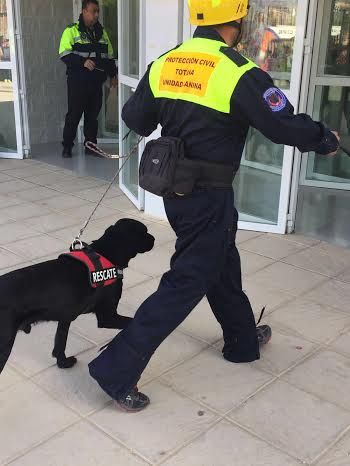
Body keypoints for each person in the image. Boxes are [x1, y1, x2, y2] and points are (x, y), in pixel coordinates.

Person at [88, 0, 340, 412]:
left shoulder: (167, 61)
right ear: (236, 19)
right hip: (208, 195)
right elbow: (281, 124)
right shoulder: (237, 71)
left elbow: (137, 117)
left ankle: (241, 340)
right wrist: (324, 139)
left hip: (174, 191)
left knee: (220, 261)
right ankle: (116, 368)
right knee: (187, 280)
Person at [59, 0, 117, 158]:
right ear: (84, 11)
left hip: (96, 82)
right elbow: (64, 54)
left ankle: (90, 146)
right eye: (93, 11)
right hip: (78, 82)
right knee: (74, 115)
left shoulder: (102, 32)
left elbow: (109, 56)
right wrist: (82, 62)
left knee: (92, 117)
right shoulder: (71, 30)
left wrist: (113, 75)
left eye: (97, 11)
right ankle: (67, 147)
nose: (96, 14)